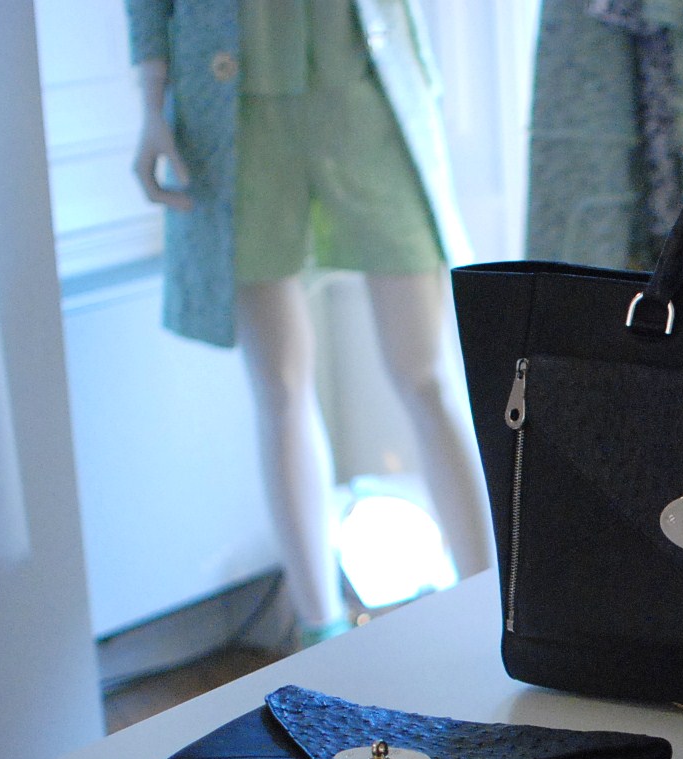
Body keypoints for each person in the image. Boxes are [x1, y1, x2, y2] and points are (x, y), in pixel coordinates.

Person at [127, 0, 492, 645]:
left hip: (367, 89)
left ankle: (495, 604)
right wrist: (151, 104)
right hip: (231, 110)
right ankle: (319, 633)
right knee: (280, 389)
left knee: (426, 376)